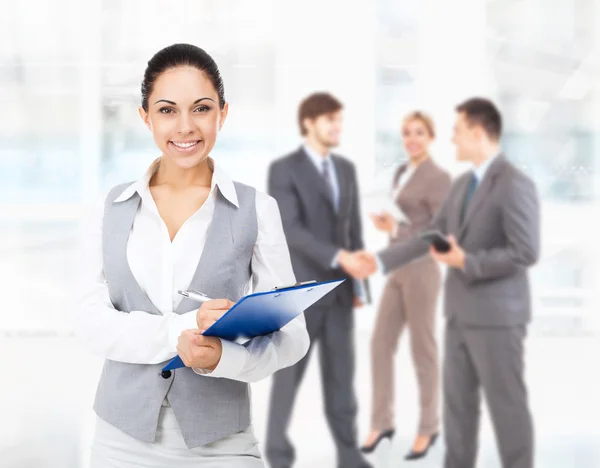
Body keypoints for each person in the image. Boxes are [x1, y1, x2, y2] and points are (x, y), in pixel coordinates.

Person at [75, 43, 309, 468]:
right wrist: (180, 331)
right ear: (145, 116)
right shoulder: (108, 208)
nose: (185, 127)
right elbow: (90, 323)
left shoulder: (257, 209)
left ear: (222, 112)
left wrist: (224, 358)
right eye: (167, 110)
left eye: (201, 108)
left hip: (222, 443)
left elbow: (293, 335)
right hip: (119, 440)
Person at [351, 98, 539, 468]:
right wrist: (379, 260)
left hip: (498, 319)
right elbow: (434, 233)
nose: (452, 139)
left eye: (457, 131)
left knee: (507, 410)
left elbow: (525, 251)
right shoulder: (464, 183)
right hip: (459, 314)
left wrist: (467, 261)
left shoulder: (515, 183)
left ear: (478, 132)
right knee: (458, 414)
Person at [265, 92, 372, 468]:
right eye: (331, 120)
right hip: (303, 293)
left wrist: (359, 283)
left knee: (342, 378)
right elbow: (291, 229)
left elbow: (352, 230)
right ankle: (277, 453)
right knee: (288, 377)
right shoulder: (284, 169)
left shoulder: (345, 169)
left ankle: (348, 452)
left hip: (342, 292)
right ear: (309, 121)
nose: (338, 127)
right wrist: (339, 257)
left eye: (340, 121)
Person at [361, 111, 451, 460]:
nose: (411, 139)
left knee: (422, 350)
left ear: (431, 136)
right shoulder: (401, 172)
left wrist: (399, 237)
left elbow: (436, 232)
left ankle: (429, 428)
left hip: (423, 270)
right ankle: (381, 422)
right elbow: (408, 224)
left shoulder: (439, 178)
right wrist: (388, 224)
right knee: (380, 343)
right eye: (406, 133)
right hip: (397, 267)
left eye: (418, 133)